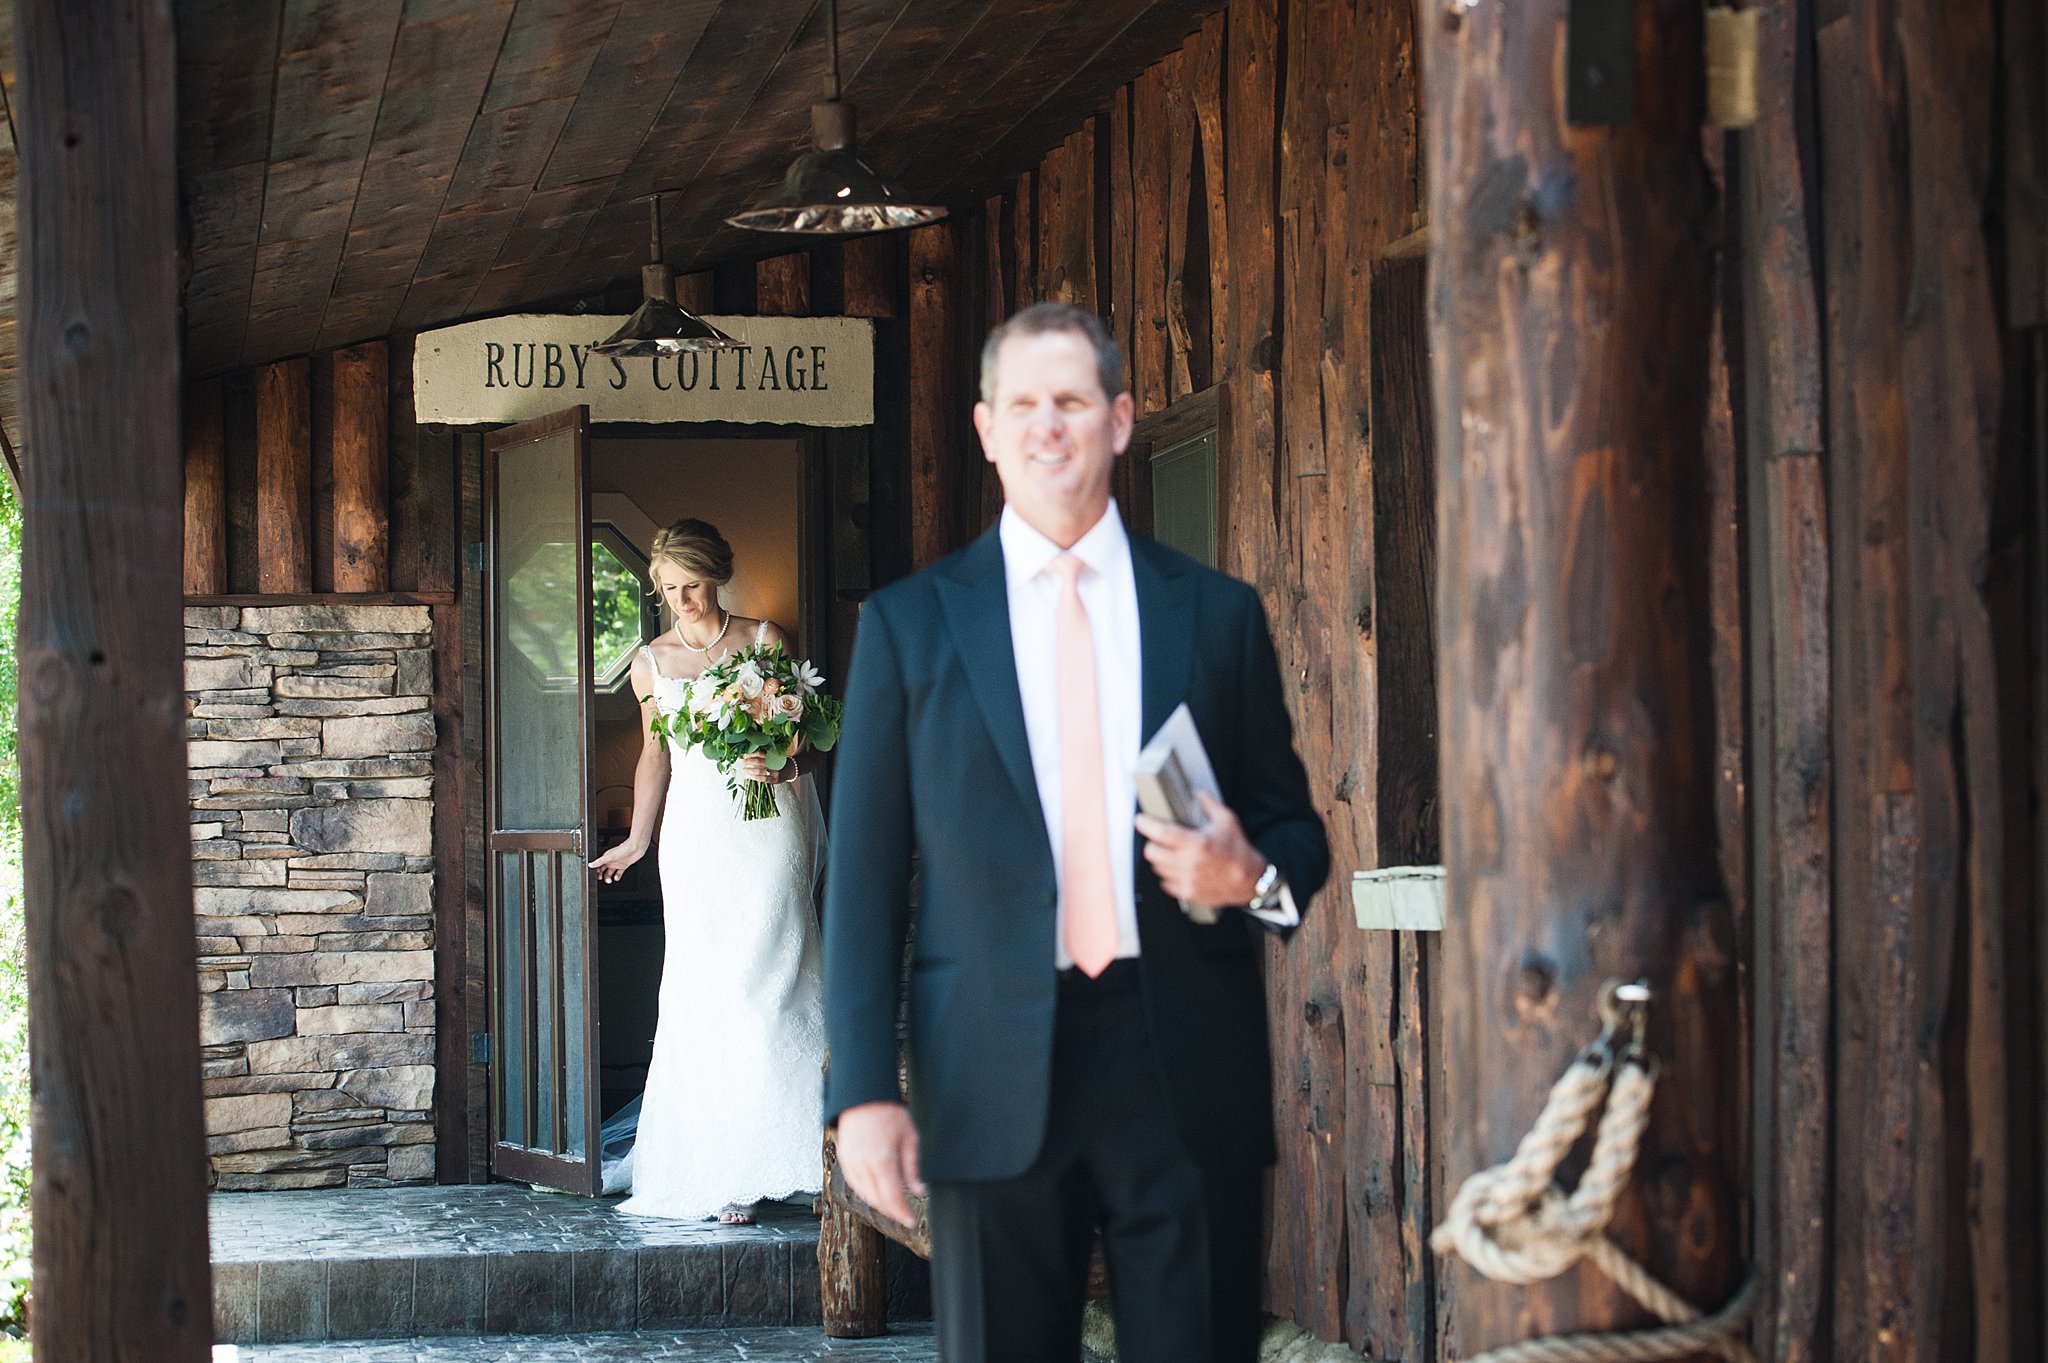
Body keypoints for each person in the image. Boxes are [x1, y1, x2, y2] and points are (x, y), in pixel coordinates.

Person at [823, 302, 1329, 1361]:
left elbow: (1289, 827)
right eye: (1023, 404)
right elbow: (860, 883)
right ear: (984, 427)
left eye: (1070, 401)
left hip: (1182, 1057)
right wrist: (862, 1091)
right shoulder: (908, 627)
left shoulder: (1217, 613)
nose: (1046, 425)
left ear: (1119, 420)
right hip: (986, 1069)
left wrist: (1254, 878)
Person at [589, 518, 825, 1226]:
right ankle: (725, 1165)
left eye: (690, 585)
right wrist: (636, 838)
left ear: (715, 575)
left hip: (767, 829)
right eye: (667, 589)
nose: (681, 599)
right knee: (707, 989)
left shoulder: (764, 641)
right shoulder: (650, 661)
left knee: (778, 977)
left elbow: (808, 741)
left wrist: (780, 764)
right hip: (696, 837)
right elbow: (655, 755)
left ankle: (798, 1156)